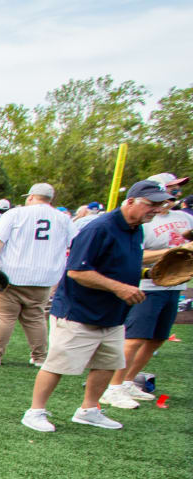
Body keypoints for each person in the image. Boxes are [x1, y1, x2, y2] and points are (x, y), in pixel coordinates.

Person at [21, 180, 167, 432]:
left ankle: (89, 409)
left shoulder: (135, 229)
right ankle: (35, 411)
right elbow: (77, 271)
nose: (155, 209)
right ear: (130, 201)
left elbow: (119, 263)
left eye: (159, 205)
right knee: (57, 364)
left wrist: (146, 273)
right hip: (79, 311)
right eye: (150, 204)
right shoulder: (99, 228)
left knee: (108, 363)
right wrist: (120, 287)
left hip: (112, 313)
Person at [104, 174, 193, 408]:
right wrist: (175, 252)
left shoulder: (184, 218)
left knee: (157, 338)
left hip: (175, 286)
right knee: (134, 339)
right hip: (146, 286)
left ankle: (128, 381)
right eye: (172, 188)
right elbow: (135, 256)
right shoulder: (141, 222)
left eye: (178, 189)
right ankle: (112, 386)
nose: (176, 193)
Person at [0, 182, 74, 368]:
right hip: (44, 276)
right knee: (36, 318)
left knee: (4, 318)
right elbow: (75, 244)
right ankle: (39, 357)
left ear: (30, 197)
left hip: (12, 273)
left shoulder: (16, 214)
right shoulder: (63, 218)